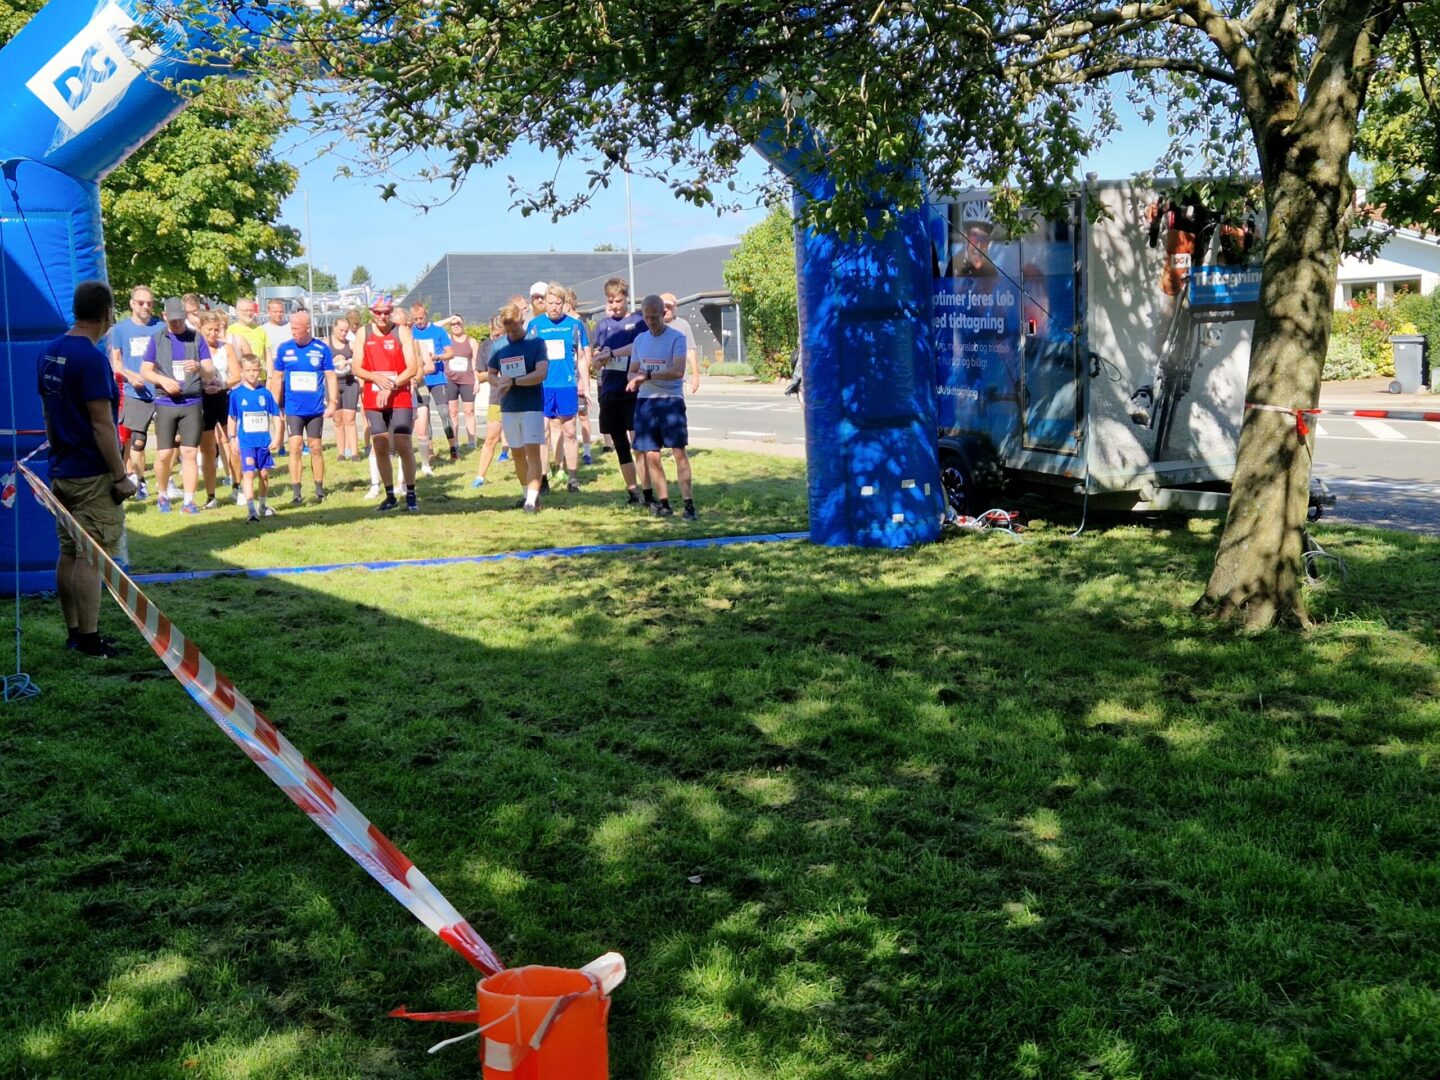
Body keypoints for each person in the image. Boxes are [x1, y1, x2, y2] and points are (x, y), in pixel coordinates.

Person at [37, 279, 134, 658]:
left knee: (69, 551)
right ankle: (90, 640)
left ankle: (75, 632)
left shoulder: (49, 352)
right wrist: (121, 476)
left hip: (62, 469)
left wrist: (58, 454)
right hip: (92, 474)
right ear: (108, 313)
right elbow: (102, 424)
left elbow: (48, 415)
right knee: (91, 556)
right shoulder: (92, 360)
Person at [140, 297, 214, 514]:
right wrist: (162, 380)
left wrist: (199, 367)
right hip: (165, 403)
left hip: (191, 402)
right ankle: (162, 493)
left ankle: (189, 501)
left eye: (180, 320)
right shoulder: (157, 339)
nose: (177, 324)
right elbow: (145, 370)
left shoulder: (196, 338)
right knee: (164, 454)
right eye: (173, 321)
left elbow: (210, 372)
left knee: (190, 452)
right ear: (164, 317)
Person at [628, 294, 697, 519]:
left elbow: (677, 370)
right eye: (646, 317)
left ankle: (688, 504)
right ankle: (664, 502)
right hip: (646, 401)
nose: (651, 322)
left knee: (678, 451)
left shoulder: (677, 338)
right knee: (651, 454)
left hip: (670, 400)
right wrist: (635, 379)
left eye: (654, 317)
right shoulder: (640, 340)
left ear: (663, 313)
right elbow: (632, 371)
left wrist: (647, 375)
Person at [353, 295, 420, 511]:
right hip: (374, 396)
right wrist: (375, 377)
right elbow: (356, 367)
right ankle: (389, 494)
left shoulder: (402, 331)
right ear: (371, 312)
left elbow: (412, 368)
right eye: (378, 312)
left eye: (386, 312)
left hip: (399, 394)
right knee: (380, 445)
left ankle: (410, 493)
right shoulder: (364, 332)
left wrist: (390, 385)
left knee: (403, 443)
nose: (382, 316)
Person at [269, 310, 337, 505]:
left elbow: (330, 376)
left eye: (297, 329)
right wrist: (275, 405)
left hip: (315, 409)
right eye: (291, 328)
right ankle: (296, 492)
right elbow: (277, 377)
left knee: (315, 447)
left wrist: (333, 402)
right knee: (295, 447)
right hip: (293, 409)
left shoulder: (321, 349)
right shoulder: (284, 349)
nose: (293, 332)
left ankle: (319, 489)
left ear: (308, 328)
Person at [590, 277, 648, 504]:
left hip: (632, 392)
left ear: (626, 299)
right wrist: (599, 358)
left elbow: (639, 346)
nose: (615, 305)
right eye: (610, 301)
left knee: (639, 445)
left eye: (618, 301)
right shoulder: (602, 326)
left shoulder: (638, 321)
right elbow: (595, 359)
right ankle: (633, 491)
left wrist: (613, 353)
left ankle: (648, 491)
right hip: (609, 391)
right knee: (620, 446)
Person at [527, 282, 589, 493]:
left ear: (564, 303)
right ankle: (543, 477)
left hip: (566, 384)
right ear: (545, 303)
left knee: (569, 431)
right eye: (551, 303)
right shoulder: (535, 325)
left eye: (558, 303)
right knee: (542, 432)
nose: (554, 307)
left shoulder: (574, 325)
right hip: (542, 386)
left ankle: (573, 478)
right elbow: (529, 356)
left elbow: (581, 356)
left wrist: (584, 382)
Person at [489, 302, 549, 512]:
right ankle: (526, 495)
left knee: (532, 451)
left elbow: (541, 373)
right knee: (516, 452)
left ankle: (532, 500)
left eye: (514, 328)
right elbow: (490, 373)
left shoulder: (536, 343)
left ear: (522, 321)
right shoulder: (498, 346)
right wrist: (499, 382)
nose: (511, 333)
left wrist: (514, 382)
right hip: (509, 406)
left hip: (531, 404)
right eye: (507, 329)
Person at [108, 284, 163, 499]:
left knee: (170, 441)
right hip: (136, 393)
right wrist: (130, 376)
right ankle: (140, 483)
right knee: (138, 442)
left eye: (149, 303)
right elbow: (116, 362)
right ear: (132, 303)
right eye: (141, 303)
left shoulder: (160, 326)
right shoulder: (120, 330)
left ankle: (165, 483)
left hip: (161, 391)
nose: (145, 306)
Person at [197, 311, 242, 508]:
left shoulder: (227, 348)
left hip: (224, 397)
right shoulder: (195, 349)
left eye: (216, 330)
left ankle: (237, 486)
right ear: (201, 329)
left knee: (233, 443)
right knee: (208, 449)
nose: (213, 333)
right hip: (203, 399)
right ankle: (211, 496)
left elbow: (236, 375)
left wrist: (222, 384)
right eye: (209, 330)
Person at [227, 356, 279, 521]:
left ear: (260, 371)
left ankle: (262, 505)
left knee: (263, 475)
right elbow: (232, 417)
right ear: (242, 372)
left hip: (263, 442)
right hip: (246, 443)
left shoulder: (265, 393)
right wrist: (232, 438)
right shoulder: (236, 394)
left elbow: (276, 415)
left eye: (255, 370)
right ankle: (251, 510)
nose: (251, 374)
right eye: (248, 370)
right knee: (248, 474)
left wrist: (278, 436)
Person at [409, 301, 458, 468]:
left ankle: (453, 447)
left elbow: (450, 353)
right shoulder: (411, 332)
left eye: (421, 318)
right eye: (415, 319)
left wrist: (437, 357)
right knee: (424, 416)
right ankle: (429, 451)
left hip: (438, 378)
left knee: (444, 412)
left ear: (426, 315)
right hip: (420, 379)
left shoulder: (438, 331)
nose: (418, 322)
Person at [471, 315, 506, 489]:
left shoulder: (515, 343)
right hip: (496, 398)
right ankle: (480, 476)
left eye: (502, 334)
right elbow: (480, 375)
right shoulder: (485, 346)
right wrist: (494, 374)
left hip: (519, 396)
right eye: (495, 335)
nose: (499, 338)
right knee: (491, 437)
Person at [439, 313, 481, 449]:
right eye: (453, 324)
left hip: (467, 380)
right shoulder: (446, 339)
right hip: (450, 380)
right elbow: (433, 327)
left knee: (469, 411)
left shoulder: (471, 341)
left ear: (463, 324)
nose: (455, 326)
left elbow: (476, 362)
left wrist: (477, 381)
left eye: (458, 323)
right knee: (452, 412)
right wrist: (448, 319)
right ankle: (454, 442)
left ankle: (471, 441)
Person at [261, 299, 292, 454]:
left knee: (290, 409)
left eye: (281, 311)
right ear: (269, 312)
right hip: (274, 373)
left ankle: (294, 440)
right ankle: (278, 442)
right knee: (275, 409)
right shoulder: (263, 330)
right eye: (275, 311)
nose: (279, 314)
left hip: (290, 373)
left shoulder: (289, 327)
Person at [330, 316, 361, 461]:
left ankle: (354, 453)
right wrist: (333, 361)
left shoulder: (351, 345)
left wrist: (348, 361)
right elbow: (320, 364)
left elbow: (361, 360)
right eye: (341, 330)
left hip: (349, 383)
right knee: (337, 419)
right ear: (334, 328)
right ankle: (341, 453)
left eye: (346, 331)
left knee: (350, 418)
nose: (343, 333)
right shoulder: (326, 344)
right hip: (334, 385)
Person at [660, 292, 701, 395]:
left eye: (669, 307)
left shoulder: (683, 325)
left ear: (675, 308)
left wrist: (695, 376)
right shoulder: (652, 325)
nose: (666, 310)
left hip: (678, 380)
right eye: (664, 307)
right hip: (657, 380)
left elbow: (690, 351)